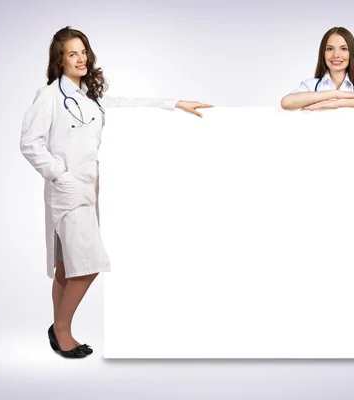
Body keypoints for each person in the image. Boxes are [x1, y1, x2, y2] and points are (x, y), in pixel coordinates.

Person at [20, 26, 213, 358]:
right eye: (72, 54)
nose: (80, 59)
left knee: (67, 266)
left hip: (86, 191)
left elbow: (130, 105)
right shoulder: (49, 96)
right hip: (66, 191)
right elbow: (29, 143)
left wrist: (175, 103)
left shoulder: (90, 97)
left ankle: (58, 327)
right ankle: (62, 330)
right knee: (90, 263)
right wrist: (60, 174)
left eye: (84, 52)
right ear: (59, 60)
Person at [280, 27, 354, 111]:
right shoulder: (310, 86)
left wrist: (340, 102)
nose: (336, 55)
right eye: (329, 49)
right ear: (323, 53)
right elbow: (287, 102)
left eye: (343, 49)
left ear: (351, 53)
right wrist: (335, 93)